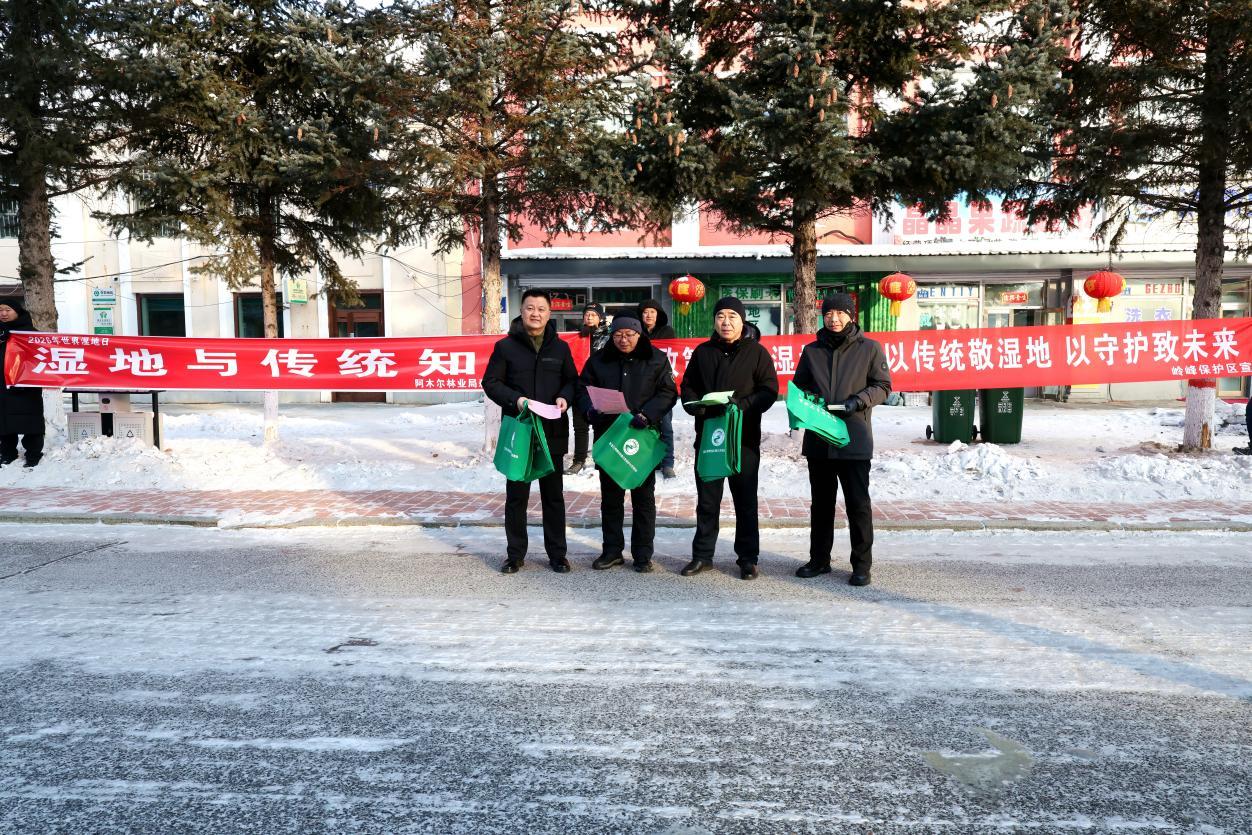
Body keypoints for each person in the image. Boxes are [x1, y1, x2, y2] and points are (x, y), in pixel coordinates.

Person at [791, 293, 892, 586]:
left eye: (840, 313)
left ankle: (861, 565)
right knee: (821, 505)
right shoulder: (812, 351)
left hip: (853, 439)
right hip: (820, 440)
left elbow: (883, 386)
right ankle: (819, 560)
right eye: (828, 313)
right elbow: (799, 387)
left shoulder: (870, 348)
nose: (833, 318)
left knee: (857, 504)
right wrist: (809, 401)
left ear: (851, 315)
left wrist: (857, 401)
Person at [679, 297, 778, 580]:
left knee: (745, 501)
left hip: (743, 439)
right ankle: (702, 556)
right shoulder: (703, 352)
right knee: (707, 501)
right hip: (710, 436)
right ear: (714, 321)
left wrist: (743, 405)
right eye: (720, 316)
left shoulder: (756, 352)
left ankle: (747, 559)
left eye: (732, 316)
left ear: (742, 321)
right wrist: (695, 405)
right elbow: (688, 386)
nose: (726, 322)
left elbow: (769, 390)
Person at [483, 288, 578, 573]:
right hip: (521, 431)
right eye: (530, 308)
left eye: (541, 309)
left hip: (552, 431)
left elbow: (572, 381)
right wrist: (516, 400)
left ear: (549, 314)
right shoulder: (505, 347)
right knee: (517, 496)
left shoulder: (560, 348)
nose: (535, 313)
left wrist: (565, 397)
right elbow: (491, 383)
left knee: (553, 496)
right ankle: (515, 555)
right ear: (521, 311)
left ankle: (557, 555)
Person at [576, 316, 677, 572]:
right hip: (610, 438)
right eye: (618, 334)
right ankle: (612, 551)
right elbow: (582, 389)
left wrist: (648, 414)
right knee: (611, 499)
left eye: (630, 334)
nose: (624, 340)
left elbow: (668, 392)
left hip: (641, 438)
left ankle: (642, 554)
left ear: (640, 335)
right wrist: (590, 410)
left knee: (643, 499)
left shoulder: (656, 359)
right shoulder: (599, 360)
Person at [565, 302, 611, 475]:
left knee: (603, 425)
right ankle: (579, 460)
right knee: (580, 426)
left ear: (600, 317)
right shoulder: (576, 337)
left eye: (593, 315)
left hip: (601, 387)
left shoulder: (608, 337)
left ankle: (603, 458)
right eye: (586, 315)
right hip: (580, 386)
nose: (589, 317)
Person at [0, 300, 45, 468]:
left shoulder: (29, 333)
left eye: (8, 310)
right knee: (4, 421)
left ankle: (33, 454)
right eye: (0, 310)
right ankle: (7, 453)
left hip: (26, 386)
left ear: (17, 311)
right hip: (3, 385)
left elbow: (40, 356)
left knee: (30, 421)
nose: (3, 313)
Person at [638, 299, 677, 479]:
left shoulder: (667, 332)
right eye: (645, 312)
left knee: (666, 425)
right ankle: (649, 460)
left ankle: (668, 463)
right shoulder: (636, 332)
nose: (649, 315)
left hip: (663, 386)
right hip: (642, 385)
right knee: (644, 424)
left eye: (652, 312)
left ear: (658, 314)